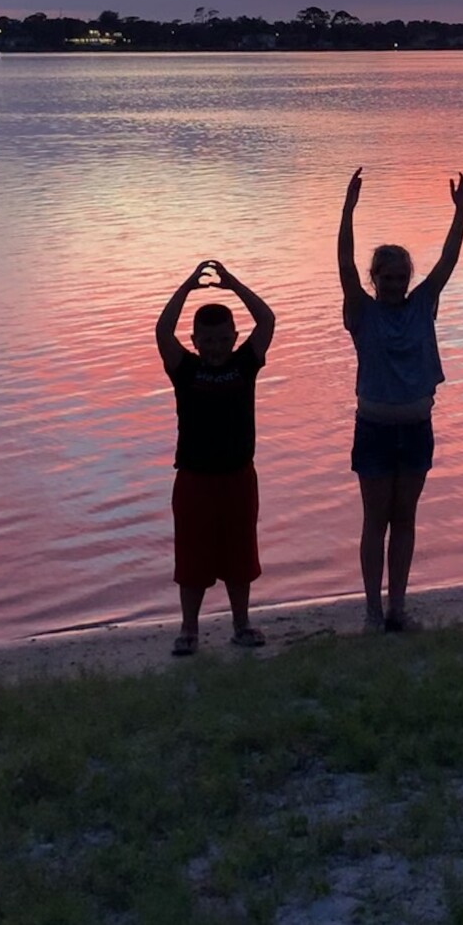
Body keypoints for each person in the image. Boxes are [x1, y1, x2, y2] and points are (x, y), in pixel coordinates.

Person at [338, 166, 463, 633]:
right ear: (375, 278)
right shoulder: (362, 312)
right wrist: (348, 210)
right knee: (376, 519)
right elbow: (343, 264)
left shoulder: (422, 304)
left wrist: (462, 212)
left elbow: (448, 261)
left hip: (415, 428)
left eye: (401, 276)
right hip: (374, 429)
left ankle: (398, 606)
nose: (395, 283)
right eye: (387, 277)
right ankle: (373, 611)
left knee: (406, 518)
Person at [155, 258, 276, 655]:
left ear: (233, 336)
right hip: (194, 480)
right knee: (191, 560)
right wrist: (188, 286)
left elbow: (267, 319)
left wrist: (234, 285)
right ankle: (189, 629)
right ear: (195, 341)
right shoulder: (184, 370)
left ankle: (241, 625)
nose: (216, 348)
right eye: (208, 341)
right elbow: (162, 330)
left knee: (240, 554)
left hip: (239, 476)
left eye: (223, 339)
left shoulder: (246, 363)